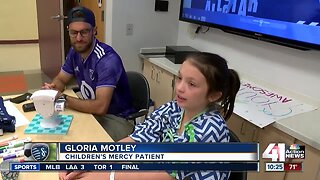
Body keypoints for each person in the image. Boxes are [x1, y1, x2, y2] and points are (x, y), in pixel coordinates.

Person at [59, 52, 241, 180]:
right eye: (179, 78)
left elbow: (168, 174)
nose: (180, 88)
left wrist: (108, 175)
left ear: (214, 95)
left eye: (191, 84)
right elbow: (137, 139)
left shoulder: (211, 129)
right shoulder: (173, 109)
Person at [42, 6, 135, 141]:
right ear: (68, 32)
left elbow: (100, 107)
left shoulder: (107, 60)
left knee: (77, 141)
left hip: (117, 119)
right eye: (74, 32)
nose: (78, 38)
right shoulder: (74, 52)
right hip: (91, 113)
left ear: (94, 31)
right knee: (56, 131)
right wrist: (52, 89)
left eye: (84, 32)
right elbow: (61, 79)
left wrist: (63, 98)